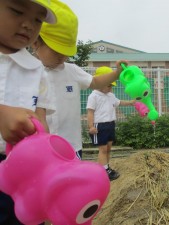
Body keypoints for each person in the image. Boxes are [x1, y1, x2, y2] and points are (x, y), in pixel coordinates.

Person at [31, 0, 128, 159]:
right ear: (36, 43)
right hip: (40, 148)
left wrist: (117, 73)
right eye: (56, 52)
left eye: (66, 52)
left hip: (71, 146)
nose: (62, 57)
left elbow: (96, 82)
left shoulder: (72, 71)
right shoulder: (29, 72)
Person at [0, 0, 56, 224]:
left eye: (37, 20)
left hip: (21, 169)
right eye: (16, 10)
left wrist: (50, 161)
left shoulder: (36, 69)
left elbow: (40, 118)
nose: (28, 25)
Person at [87, 66, 136, 181]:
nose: (110, 88)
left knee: (108, 148)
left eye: (111, 85)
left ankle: (106, 167)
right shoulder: (93, 96)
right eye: (108, 85)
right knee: (103, 149)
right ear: (99, 82)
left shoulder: (111, 95)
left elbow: (119, 102)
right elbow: (90, 112)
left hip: (110, 124)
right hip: (99, 126)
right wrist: (91, 126)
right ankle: (104, 171)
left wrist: (130, 102)